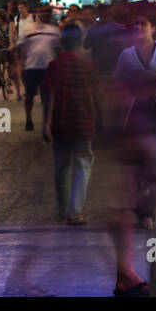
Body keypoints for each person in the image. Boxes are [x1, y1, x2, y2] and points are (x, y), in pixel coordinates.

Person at [114, 12, 156, 229]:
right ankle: (144, 211)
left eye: (144, 23)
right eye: (136, 24)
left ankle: (150, 209)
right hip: (135, 114)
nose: (140, 27)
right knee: (138, 167)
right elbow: (117, 84)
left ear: (153, 27)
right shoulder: (126, 55)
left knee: (155, 164)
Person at [42, 23, 100, 224]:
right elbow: (96, 96)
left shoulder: (54, 65)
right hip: (83, 123)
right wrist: (99, 121)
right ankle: (75, 212)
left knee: (61, 167)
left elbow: (50, 95)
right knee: (83, 166)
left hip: (60, 123)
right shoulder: (88, 66)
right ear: (80, 41)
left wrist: (46, 123)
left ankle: (62, 211)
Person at [18, 5, 61, 131]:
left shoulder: (55, 30)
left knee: (48, 96)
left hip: (49, 68)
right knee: (29, 95)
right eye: (42, 12)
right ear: (38, 13)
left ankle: (46, 123)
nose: (45, 15)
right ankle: (28, 118)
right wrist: (21, 66)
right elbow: (21, 48)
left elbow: (58, 50)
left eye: (47, 12)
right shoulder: (28, 29)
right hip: (32, 67)